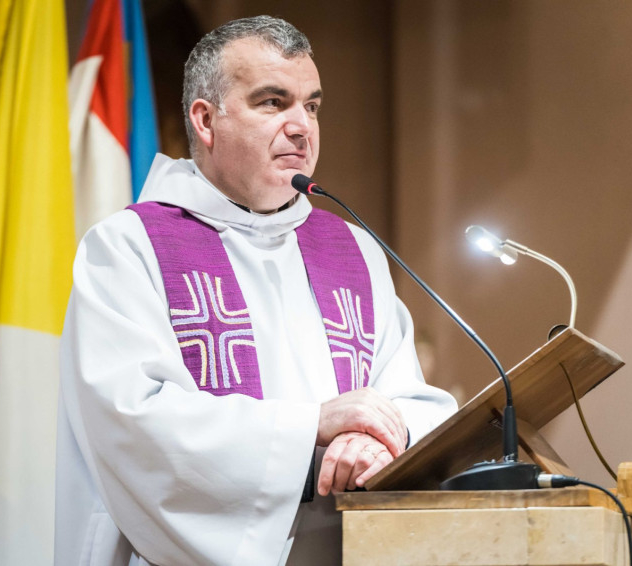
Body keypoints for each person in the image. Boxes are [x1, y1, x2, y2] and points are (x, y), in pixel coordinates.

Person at [55, 15, 457, 566]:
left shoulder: (355, 251)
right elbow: (134, 423)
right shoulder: (129, 248)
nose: (302, 126)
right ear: (206, 120)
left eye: (311, 106)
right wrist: (311, 428)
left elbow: (410, 397)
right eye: (273, 102)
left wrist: (380, 437)